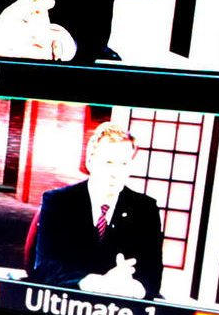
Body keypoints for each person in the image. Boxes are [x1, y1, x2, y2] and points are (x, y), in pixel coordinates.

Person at [26, 123, 166, 299]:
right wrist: (96, 283)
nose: (116, 173)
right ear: (90, 162)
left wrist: (132, 288)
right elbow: (45, 266)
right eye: (109, 162)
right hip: (67, 301)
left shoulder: (146, 209)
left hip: (122, 307)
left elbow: (152, 275)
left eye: (123, 164)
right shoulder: (58, 202)